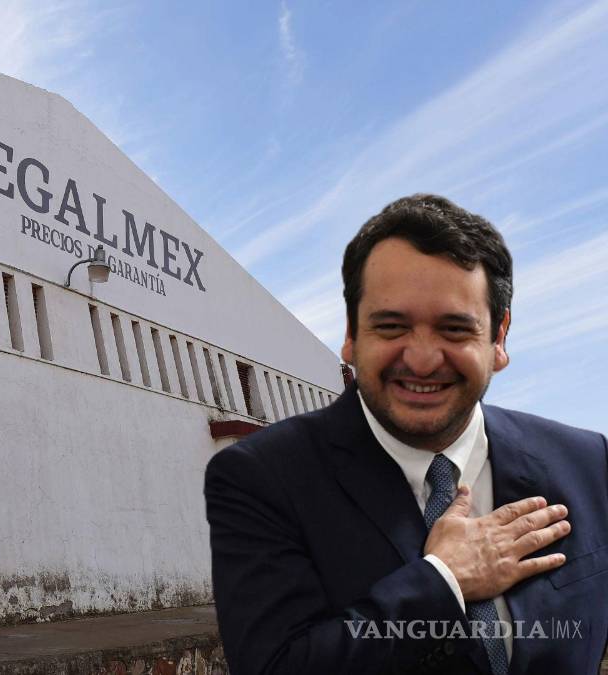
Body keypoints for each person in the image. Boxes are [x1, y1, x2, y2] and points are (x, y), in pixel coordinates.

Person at [203, 194, 608, 674]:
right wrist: (443, 581)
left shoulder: (588, 462)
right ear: (351, 335)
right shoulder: (260, 478)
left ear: (499, 338)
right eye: (392, 326)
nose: (421, 360)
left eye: (454, 329)